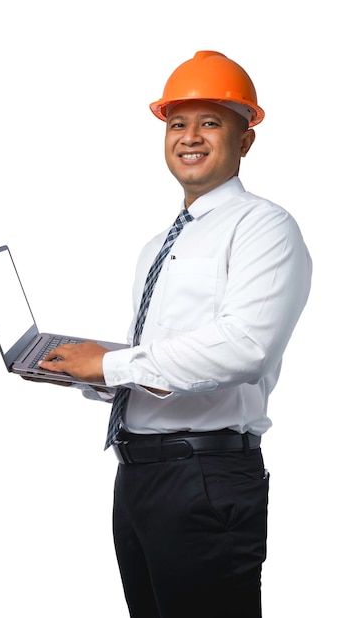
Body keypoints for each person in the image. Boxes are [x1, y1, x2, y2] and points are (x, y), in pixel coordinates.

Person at [30, 51, 312, 617]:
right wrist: (90, 370)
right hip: (138, 478)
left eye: (210, 122)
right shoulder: (162, 241)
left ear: (245, 140)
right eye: (177, 124)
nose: (190, 137)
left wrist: (110, 365)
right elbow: (163, 360)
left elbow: (245, 348)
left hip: (204, 480)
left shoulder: (264, 227)